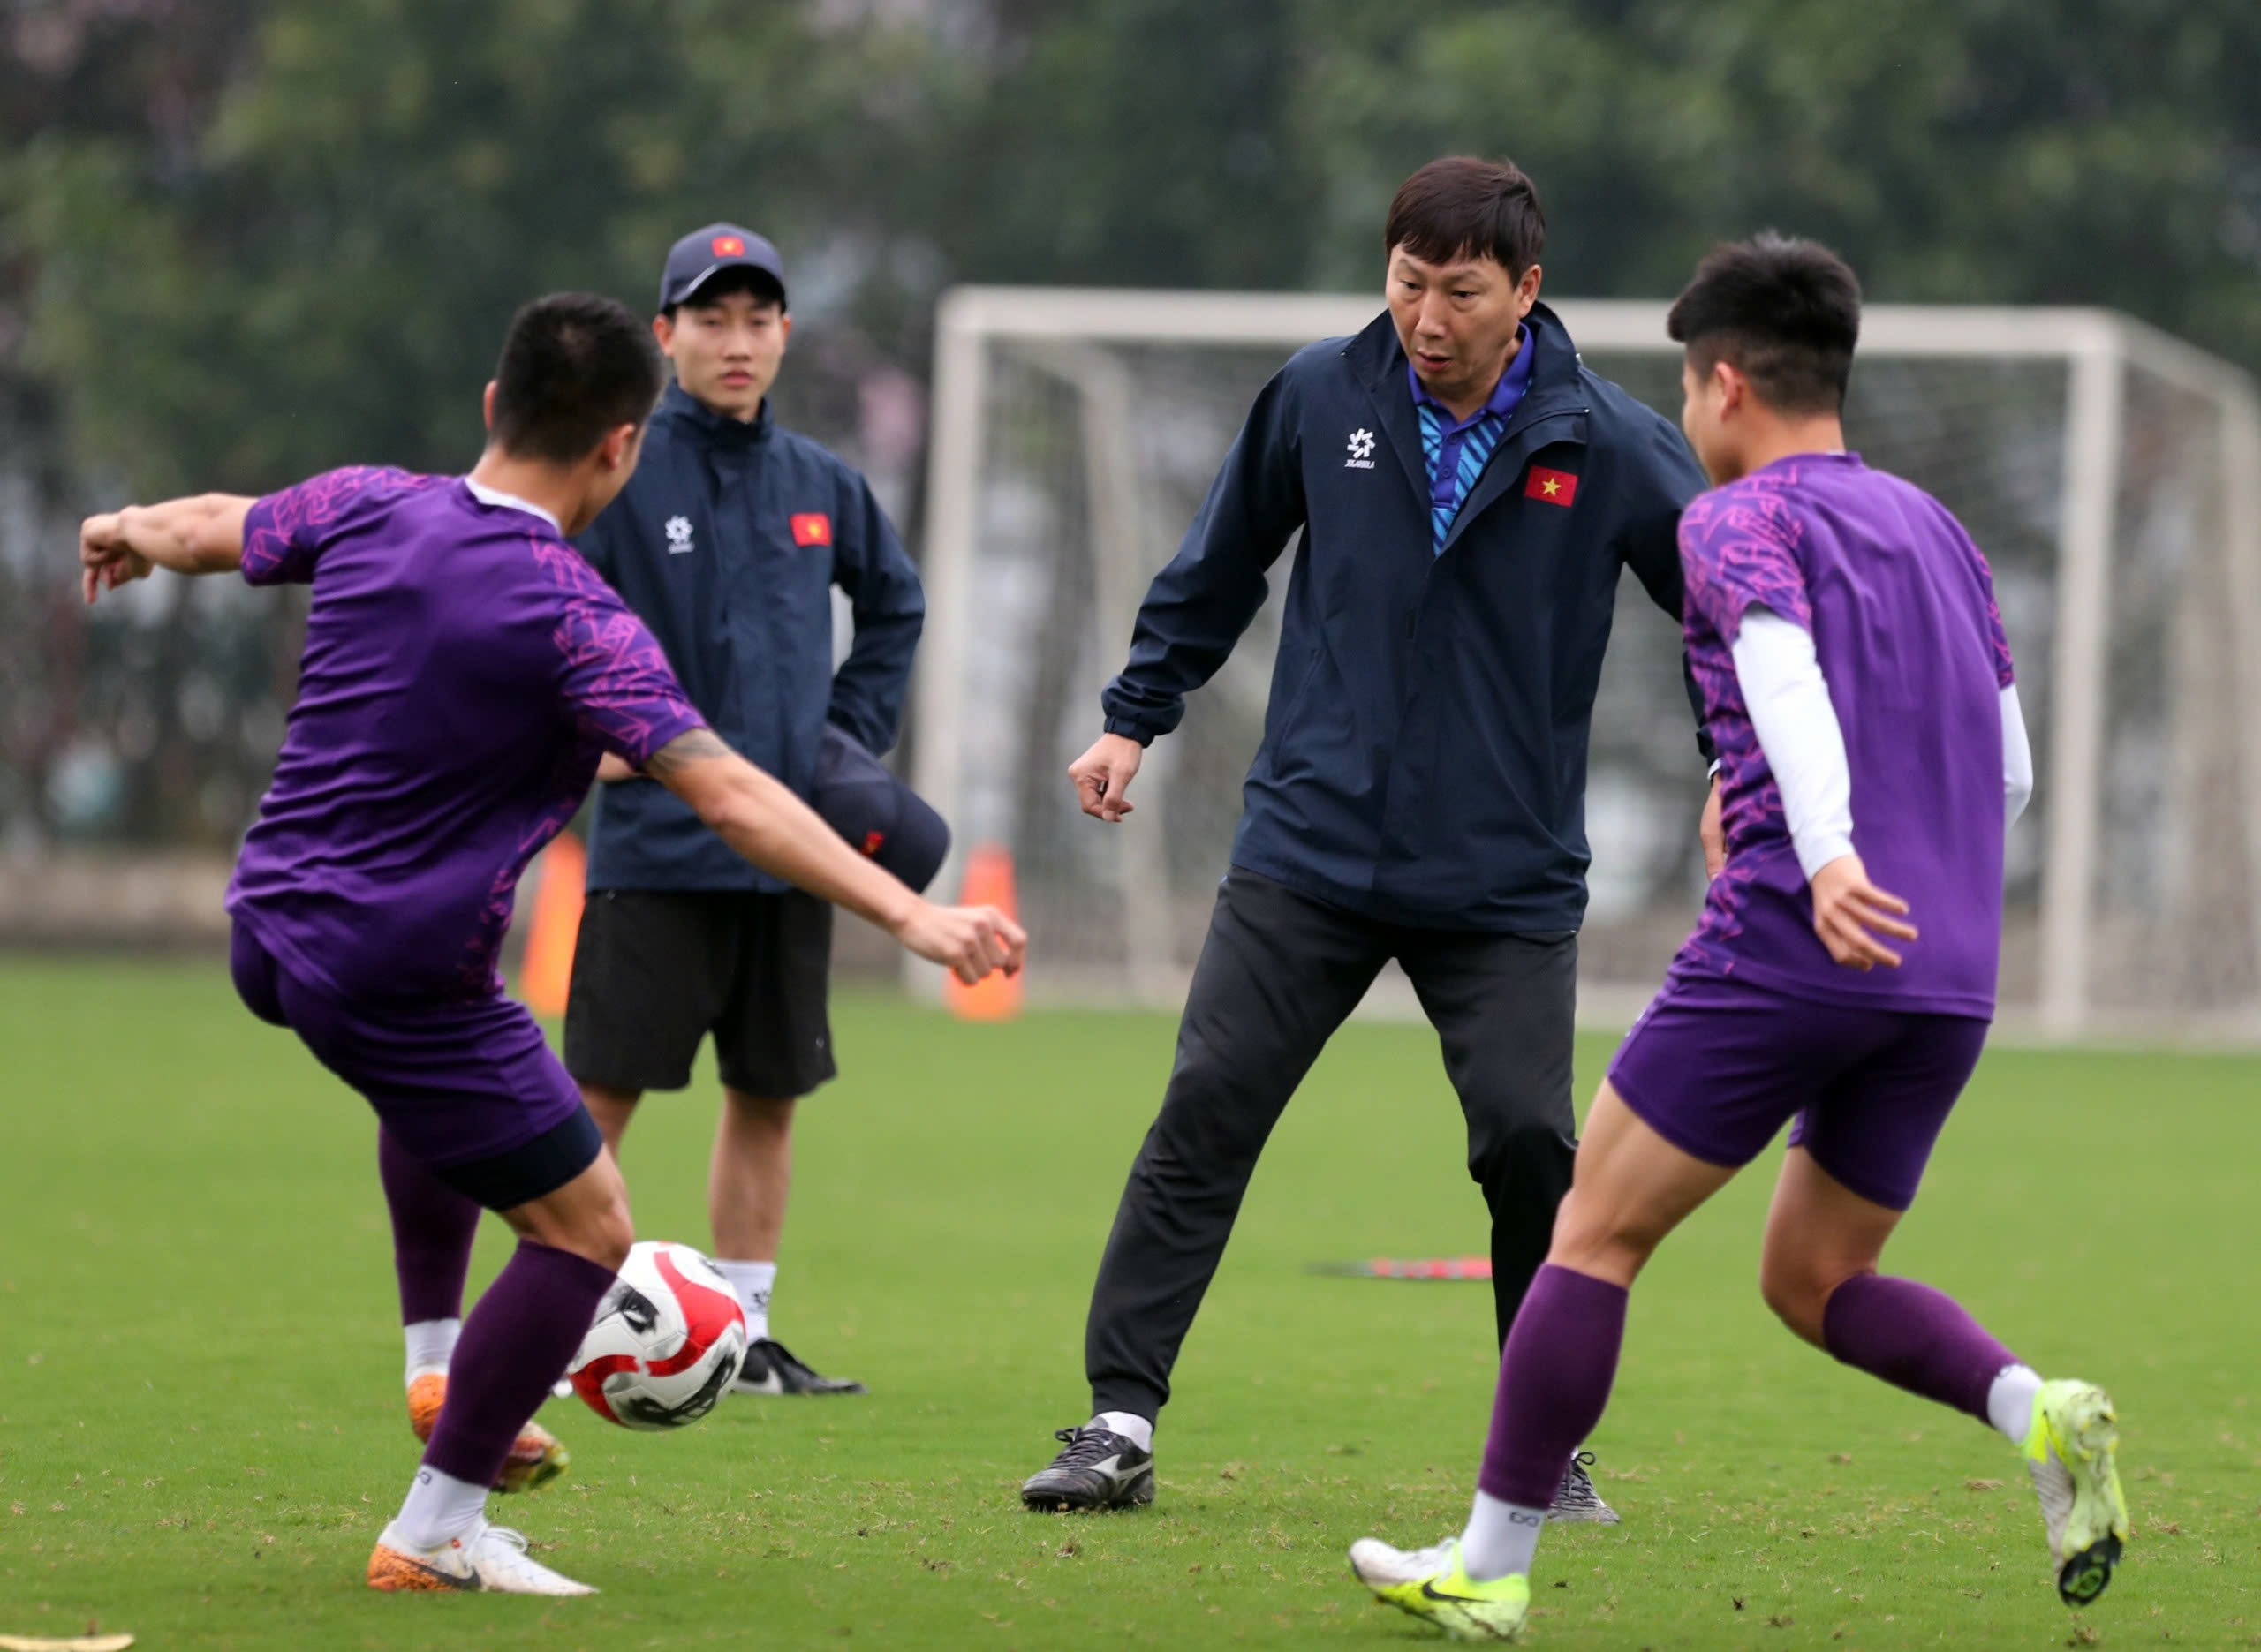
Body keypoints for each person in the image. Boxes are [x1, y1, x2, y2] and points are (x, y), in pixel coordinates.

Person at [76, 292, 1022, 1597]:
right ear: (620, 449)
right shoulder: (576, 617)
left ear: (490, 408)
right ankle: (436, 1529)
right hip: (400, 967)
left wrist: (126, 528)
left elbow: (211, 527)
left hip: (272, 929)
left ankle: (433, 1356)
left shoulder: (367, 501)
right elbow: (735, 797)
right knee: (588, 1231)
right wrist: (916, 915)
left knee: (450, 1102)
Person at [1348, 235, 2125, 1641]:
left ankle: (1491, 1563)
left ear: (1719, 386)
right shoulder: (1936, 527)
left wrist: (1823, 859)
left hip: (1797, 940)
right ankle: (2039, 1412)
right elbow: (2005, 767)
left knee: (1588, 1232)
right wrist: (1866, 849)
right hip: (1947, 972)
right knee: (1813, 1278)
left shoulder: (1733, 520)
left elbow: (1777, 665)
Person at [1018, 155, 1717, 1521]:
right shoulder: (1316, 395)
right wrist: (1131, 719)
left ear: (1526, 291)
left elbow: (1721, 608)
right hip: (1309, 851)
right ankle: (1116, 1422)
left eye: (1461, 291)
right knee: (1204, 1113)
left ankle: (1541, 1449)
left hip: (1504, 875)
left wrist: (1732, 768)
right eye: (1407, 284)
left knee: (1529, 1140)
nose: (1427, 318)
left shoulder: (1614, 441)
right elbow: (1218, 566)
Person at [565, 224, 935, 1399]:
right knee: (598, 1099)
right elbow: (537, 603)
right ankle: (549, 1312)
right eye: (710, 318)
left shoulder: (820, 482)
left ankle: (748, 1337)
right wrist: (587, 736)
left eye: (757, 318)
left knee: (768, 1093)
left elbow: (895, 608)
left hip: (788, 852)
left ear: (784, 334)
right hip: (659, 848)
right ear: (664, 334)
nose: (736, 342)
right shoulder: (619, 468)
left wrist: (843, 744)